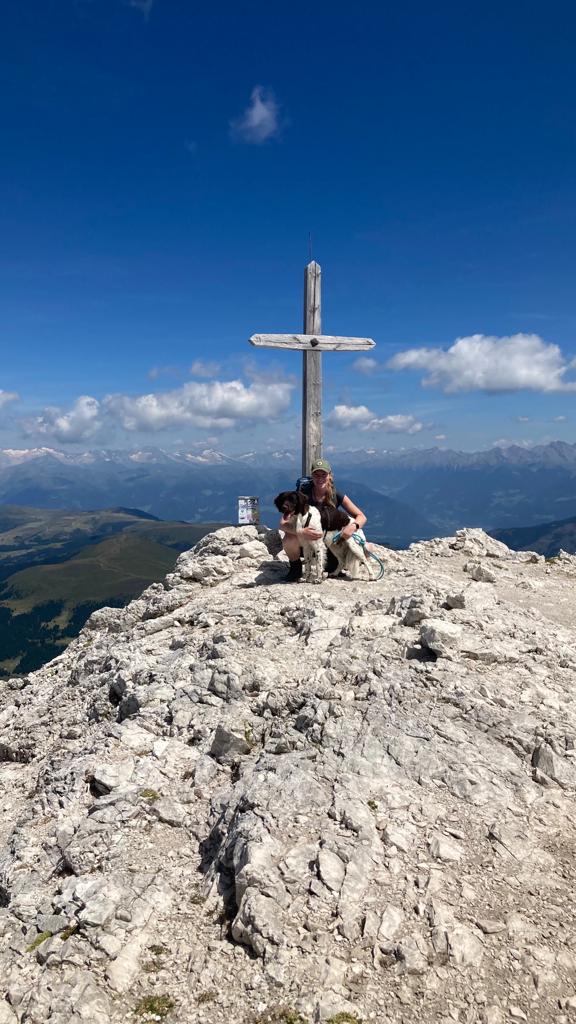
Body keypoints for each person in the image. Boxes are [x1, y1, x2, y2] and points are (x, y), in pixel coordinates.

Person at [279, 458, 367, 582]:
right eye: (316, 474)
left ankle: (340, 564)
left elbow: (361, 517)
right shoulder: (302, 494)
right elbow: (282, 524)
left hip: (329, 543)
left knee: (367, 548)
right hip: (306, 543)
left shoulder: (336, 495)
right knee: (289, 539)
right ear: (312, 475)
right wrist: (301, 532)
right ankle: (295, 569)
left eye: (323, 474)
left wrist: (352, 528)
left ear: (329, 475)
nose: (320, 478)